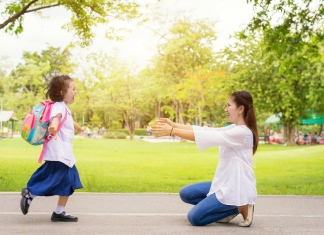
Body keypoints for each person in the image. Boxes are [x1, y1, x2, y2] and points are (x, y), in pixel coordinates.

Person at [152, 90, 258, 227]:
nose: (225, 109)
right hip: (225, 182)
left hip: (236, 186)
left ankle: (240, 206)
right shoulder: (234, 128)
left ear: (240, 109)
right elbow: (206, 131)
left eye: (228, 106)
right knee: (187, 193)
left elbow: (207, 137)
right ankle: (226, 209)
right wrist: (174, 125)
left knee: (195, 218)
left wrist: (172, 131)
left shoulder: (242, 133)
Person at [20, 75, 84, 222]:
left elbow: (68, 119)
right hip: (58, 153)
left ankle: (59, 212)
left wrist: (79, 128)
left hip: (64, 153)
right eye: (73, 89)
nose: (76, 91)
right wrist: (53, 128)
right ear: (62, 92)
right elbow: (56, 118)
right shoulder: (58, 106)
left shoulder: (63, 107)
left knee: (69, 181)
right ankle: (30, 193)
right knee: (51, 176)